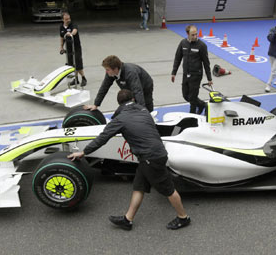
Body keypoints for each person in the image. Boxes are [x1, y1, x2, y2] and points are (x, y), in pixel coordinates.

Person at [69, 90, 191, 230]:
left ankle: (183, 217)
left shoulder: (120, 119)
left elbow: (103, 138)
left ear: (119, 103)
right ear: (133, 99)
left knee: (168, 189)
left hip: (151, 158)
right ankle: (128, 219)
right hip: (154, 154)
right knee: (139, 187)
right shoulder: (144, 111)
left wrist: (84, 152)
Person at [84, 55, 154, 112]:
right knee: (129, 102)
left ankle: (149, 116)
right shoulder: (110, 73)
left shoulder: (130, 73)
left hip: (145, 85)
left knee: (145, 105)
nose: (106, 72)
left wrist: (142, 112)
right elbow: (104, 87)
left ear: (116, 69)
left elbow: (138, 92)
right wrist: (96, 104)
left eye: (107, 69)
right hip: (128, 85)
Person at [171, 25, 213, 114]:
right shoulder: (183, 43)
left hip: (196, 75)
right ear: (187, 34)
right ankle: (202, 105)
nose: (195, 36)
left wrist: (209, 78)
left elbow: (206, 63)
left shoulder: (202, 45)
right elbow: (177, 58)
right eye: (192, 35)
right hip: (186, 74)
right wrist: (173, 72)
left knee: (193, 97)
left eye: (196, 34)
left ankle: (192, 115)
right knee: (186, 96)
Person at [59, 12, 87, 87]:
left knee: (78, 63)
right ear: (62, 19)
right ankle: (76, 79)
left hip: (76, 47)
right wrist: (61, 47)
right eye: (66, 19)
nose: (68, 20)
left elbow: (75, 30)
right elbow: (62, 37)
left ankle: (83, 78)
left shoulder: (73, 24)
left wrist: (71, 33)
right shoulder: (61, 27)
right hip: (68, 48)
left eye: (69, 18)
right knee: (71, 64)